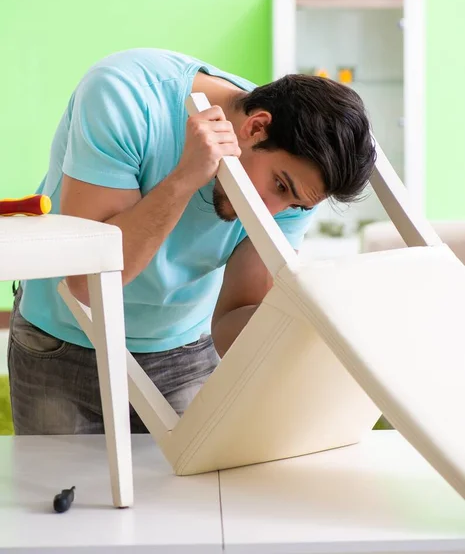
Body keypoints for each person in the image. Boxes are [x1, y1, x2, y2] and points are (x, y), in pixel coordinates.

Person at [8, 48, 376, 435]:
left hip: (183, 350)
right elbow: (86, 283)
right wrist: (186, 177)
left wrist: (310, 327)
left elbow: (238, 315)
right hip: (59, 339)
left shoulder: (301, 177)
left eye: (294, 204)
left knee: (192, 492)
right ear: (255, 128)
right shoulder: (125, 95)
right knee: (57, 489)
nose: (273, 212)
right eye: (279, 186)